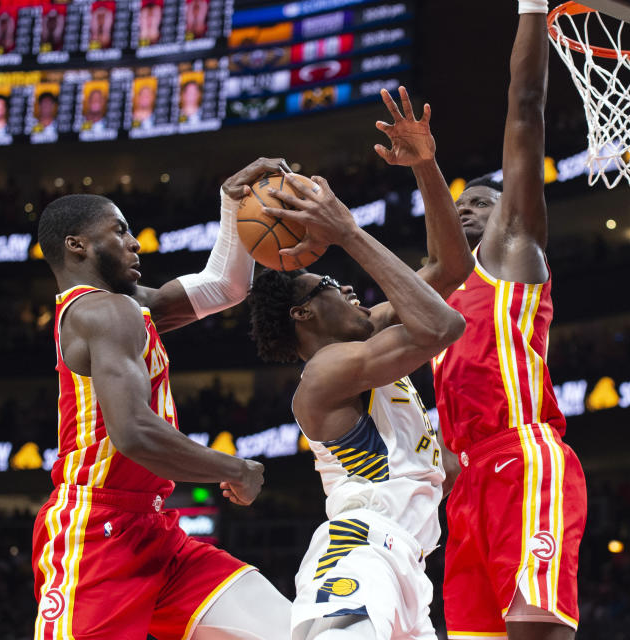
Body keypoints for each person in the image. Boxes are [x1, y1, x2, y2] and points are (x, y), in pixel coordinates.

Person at [31, 158, 294, 640]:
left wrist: (231, 203)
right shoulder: (105, 312)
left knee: (290, 631)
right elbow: (132, 432)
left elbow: (226, 287)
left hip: (155, 529)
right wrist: (232, 467)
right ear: (77, 245)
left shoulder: (127, 307)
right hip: (95, 531)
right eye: (120, 231)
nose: (136, 242)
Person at [247, 89, 471, 638]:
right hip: (359, 550)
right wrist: (346, 234)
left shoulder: (370, 339)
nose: (347, 285)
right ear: (303, 312)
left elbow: (450, 266)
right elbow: (444, 325)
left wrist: (426, 166)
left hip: (408, 563)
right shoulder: (326, 375)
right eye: (328, 283)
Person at [429, 3, 588, 639]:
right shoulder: (437, 310)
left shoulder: (513, 254)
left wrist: (531, 10)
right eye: (460, 201)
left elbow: (524, 109)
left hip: (524, 457)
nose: (469, 206)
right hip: (468, 487)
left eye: (484, 201)